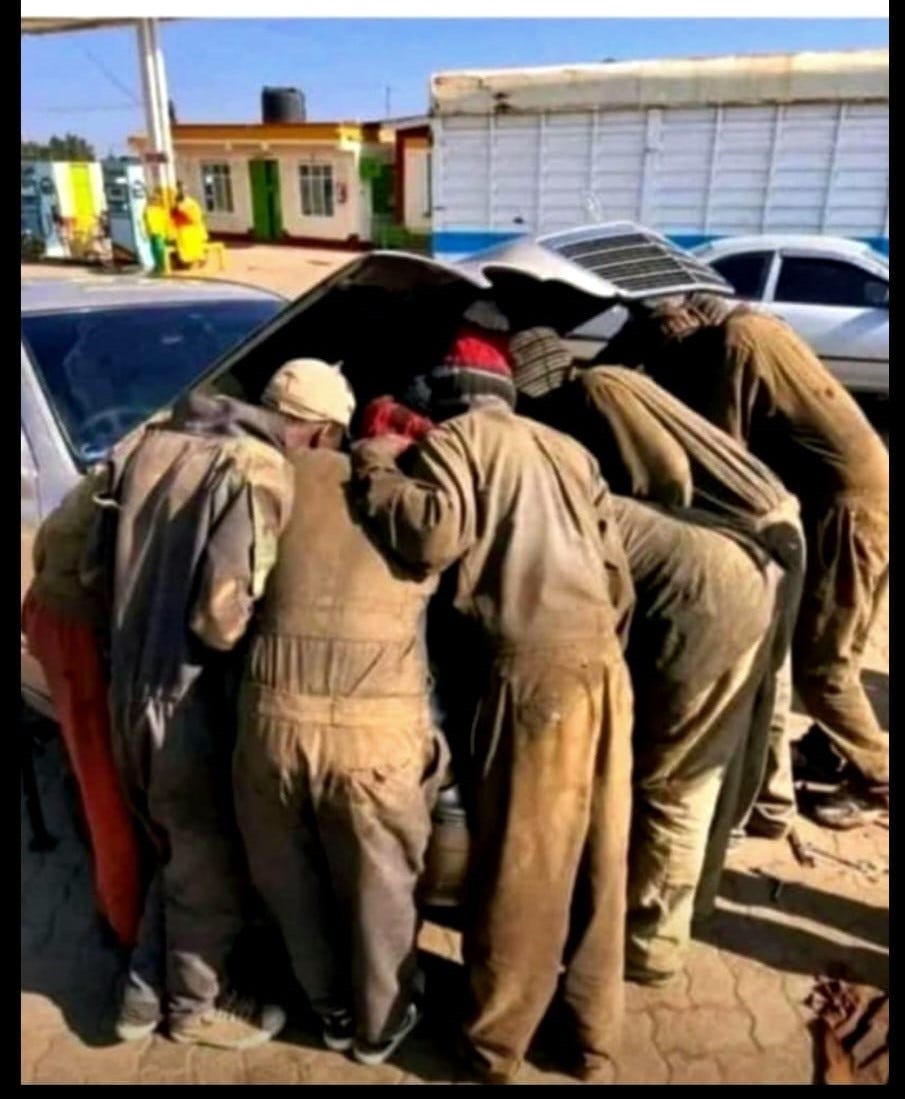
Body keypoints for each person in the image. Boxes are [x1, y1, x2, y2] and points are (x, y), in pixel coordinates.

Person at [351, 326, 635, 1084]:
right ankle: (591, 1037)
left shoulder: (456, 441)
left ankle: (492, 1048)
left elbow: (431, 536)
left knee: (525, 869)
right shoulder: (568, 449)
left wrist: (375, 465)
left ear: (444, 397)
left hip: (531, 677)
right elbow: (616, 572)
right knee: (601, 861)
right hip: (605, 667)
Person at [94, 365, 323, 1050]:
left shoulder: (150, 443)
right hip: (188, 697)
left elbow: (95, 567)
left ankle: (140, 998)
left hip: (126, 684)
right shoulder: (257, 469)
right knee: (211, 866)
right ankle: (196, 1009)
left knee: (178, 851)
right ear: (317, 429)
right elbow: (221, 618)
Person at [602, 296, 889, 829]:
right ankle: (830, 750)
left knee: (821, 665)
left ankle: (877, 780)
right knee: (841, 645)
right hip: (863, 498)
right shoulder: (758, 328)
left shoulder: (738, 345)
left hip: (847, 511)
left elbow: (722, 457)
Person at [509, 329, 805, 841]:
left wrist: (660, 528)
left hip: (754, 532)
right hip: (749, 528)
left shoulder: (597, 389)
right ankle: (764, 806)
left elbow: (666, 474)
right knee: (757, 686)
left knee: (757, 692)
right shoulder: (608, 382)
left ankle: (750, 811)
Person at [234, 385, 449, 1067]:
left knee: (290, 879)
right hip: (377, 737)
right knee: (382, 886)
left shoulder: (277, 476)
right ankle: (380, 1025)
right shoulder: (421, 501)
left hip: (271, 724)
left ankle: (329, 1008)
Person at [610, 495, 781, 981]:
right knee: (696, 770)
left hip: (711, 600)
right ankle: (672, 913)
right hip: (739, 565)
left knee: (674, 784)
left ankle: (652, 951)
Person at [22, 465, 144, 949]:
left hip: (61, 606)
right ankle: (122, 923)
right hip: (69, 623)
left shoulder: (152, 450)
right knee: (102, 780)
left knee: (98, 765)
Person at [170, 181, 208, 268]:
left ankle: (199, 258)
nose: (182, 192)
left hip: (192, 227)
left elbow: (197, 216)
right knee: (183, 242)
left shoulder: (191, 203)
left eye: (183, 190)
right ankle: (187, 261)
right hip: (181, 229)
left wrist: (184, 212)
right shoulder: (175, 203)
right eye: (180, 190)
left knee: (193, 241)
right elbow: (173, 216)